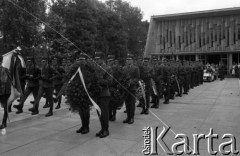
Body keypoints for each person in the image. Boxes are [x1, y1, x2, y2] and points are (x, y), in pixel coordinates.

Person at [95, 52, 112, 138]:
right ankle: (102, 128)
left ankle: (106, 130)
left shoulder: (108, 68)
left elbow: (109, 81)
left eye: (98, 59)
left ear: (102, 59)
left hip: (104, 94)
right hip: (97, 94)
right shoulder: (95, 68)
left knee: (104, 113)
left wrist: (99, 81)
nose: (96, 60)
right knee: (99, 113)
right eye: (95, 59)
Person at [123, 54, 140, 124]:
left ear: (132, 60)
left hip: (132, 88)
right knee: (127, 103)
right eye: (127, 60)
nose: (128, 61)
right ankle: (128, 117)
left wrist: (131, 82)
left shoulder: (136, 68)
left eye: (129, 60)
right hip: (126, 88)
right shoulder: (124, 68)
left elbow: (137, 78)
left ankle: (132, 117)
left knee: (132, 103)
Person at [0, 55, 12, 129]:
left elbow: (4, 80)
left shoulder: (5, 70)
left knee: (5, 108)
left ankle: (4, 123)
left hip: (4, 92)